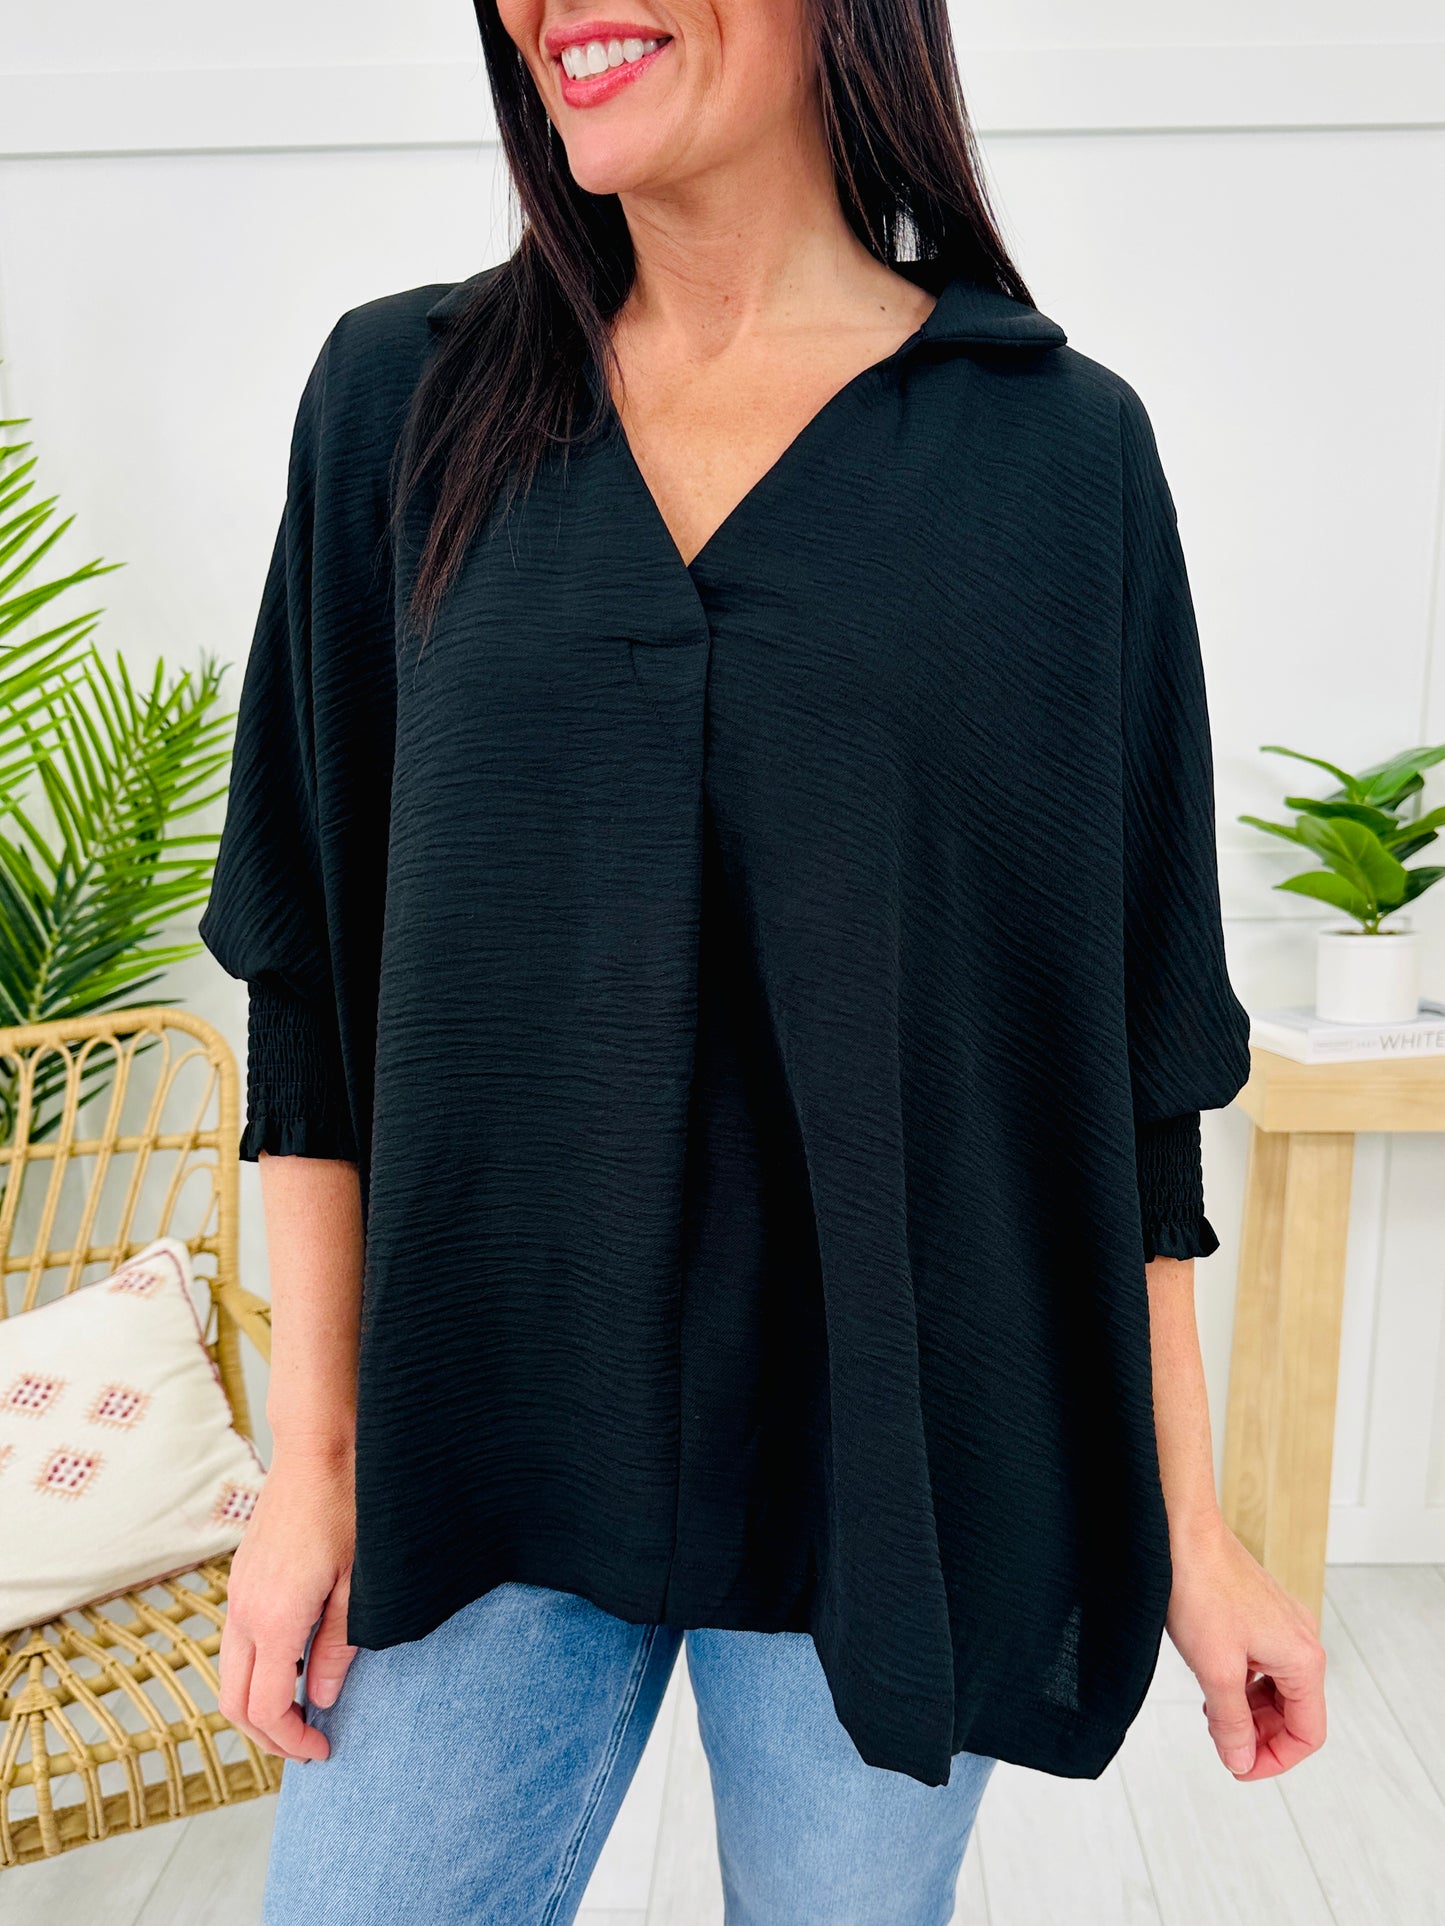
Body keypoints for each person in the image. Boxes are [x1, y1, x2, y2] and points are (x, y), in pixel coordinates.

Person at [197, 0, 1329, 1920]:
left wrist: (1190, 1529)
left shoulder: (1057, 462)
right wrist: (311, 1462)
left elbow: (1116, 1073)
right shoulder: (401, 401)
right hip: (482, 1446)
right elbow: (309, 979)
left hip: (890, 1464)